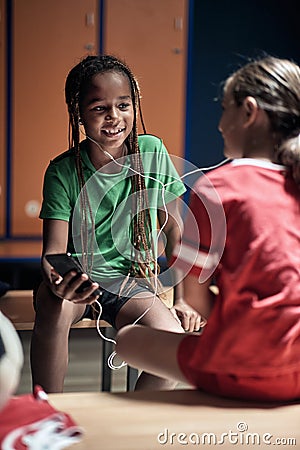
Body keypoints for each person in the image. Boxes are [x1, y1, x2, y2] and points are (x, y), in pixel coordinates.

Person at [116, 55, 300, 401]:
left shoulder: (217, 188)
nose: (219, 124)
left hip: (245, 370)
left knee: (128, 339)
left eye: (223, 109)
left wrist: (238, 329)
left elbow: (196, 300)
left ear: (248, 111)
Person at [30, 54, 202, 393]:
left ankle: (128, 422)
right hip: (80, 284)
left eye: (123, 105)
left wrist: (183, 299)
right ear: (78, 113)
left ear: (134, 105)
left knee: (175, 348)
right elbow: (53, 252)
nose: (113, 117)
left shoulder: (151, 151)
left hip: (132, 283)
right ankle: (48, 412)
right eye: (99, 108)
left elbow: (175, 232)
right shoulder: (62, 171)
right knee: (52, 306)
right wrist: (58, 282)